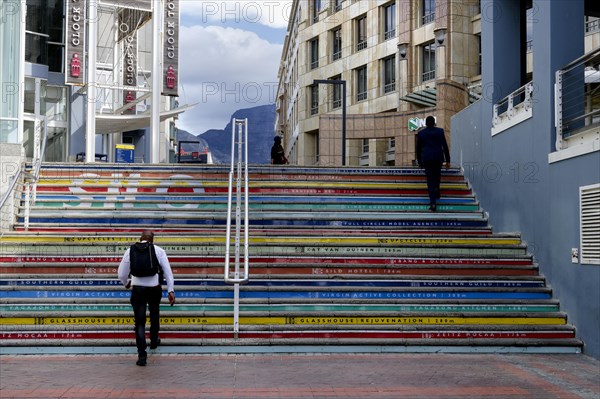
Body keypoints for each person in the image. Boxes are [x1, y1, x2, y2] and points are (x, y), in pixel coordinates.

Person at [118, 230, 175, 366]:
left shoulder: (130, 250)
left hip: (138, 290)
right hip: (154, 288)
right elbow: (168, 272)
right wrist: (170, 291)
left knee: (139, 322)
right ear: (152, 240)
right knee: (154, 313)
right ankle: (154, 341)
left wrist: (126, 283)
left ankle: (142, 356)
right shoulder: (158, 250)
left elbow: (121, 273)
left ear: (140, 238)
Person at [416, 116, 451, 212]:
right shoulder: (440, 131)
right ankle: (436, 188)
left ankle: (433, 203)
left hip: (427, 158)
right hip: (438, 157)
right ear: (434, 123)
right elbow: (445, 146)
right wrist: (448, 160)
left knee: (430, 180)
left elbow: (418, 149)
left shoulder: (421, 133)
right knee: (437, 175)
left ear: (426, 124)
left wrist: (419, 161)